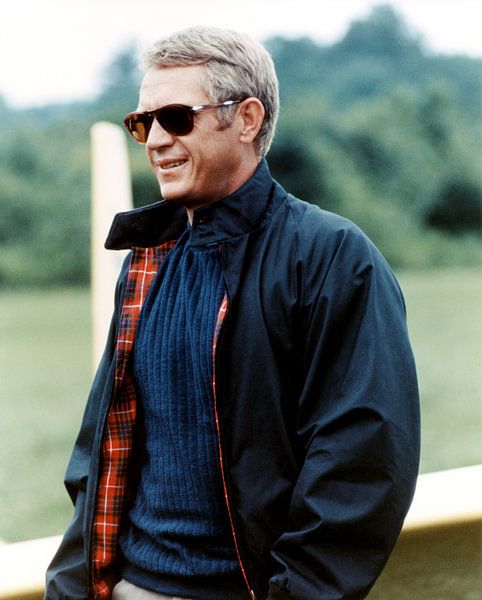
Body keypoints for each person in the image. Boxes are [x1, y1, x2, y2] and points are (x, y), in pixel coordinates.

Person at [45, 26, 420, 600]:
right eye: (142, 123)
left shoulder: (332, 257)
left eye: (176, 117)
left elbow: (361, 467)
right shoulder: (147, 260)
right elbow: (99, 454)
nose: (154, 141)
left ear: (246, 119)